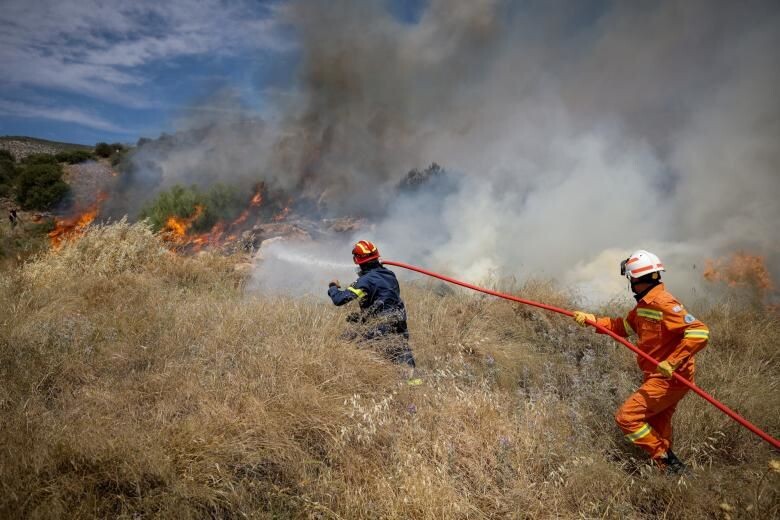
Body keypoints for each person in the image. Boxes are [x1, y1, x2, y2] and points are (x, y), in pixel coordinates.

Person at [572, 250, 709, 474]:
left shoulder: (664, 303)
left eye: (631, 279)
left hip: (669, 378)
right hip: (658, 375)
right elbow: (623, 327)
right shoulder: (644, 306)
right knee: (657, 424)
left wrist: (672, 362)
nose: (631, 285)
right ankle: (670, 474)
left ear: (637, 280)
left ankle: (669, 463)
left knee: (627, 418)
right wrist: (592, 320)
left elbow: (700, 332)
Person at [328, 240, 419, 381]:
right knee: (401, 353)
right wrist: (362, 318)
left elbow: (339, 300)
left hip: (381, 325)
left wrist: (333, 287)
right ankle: (412, 384)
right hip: (399, 320)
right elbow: (384, 300)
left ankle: (372, 382)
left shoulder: (365, 281)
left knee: (346, 344)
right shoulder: (390, 275)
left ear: (358, 261)